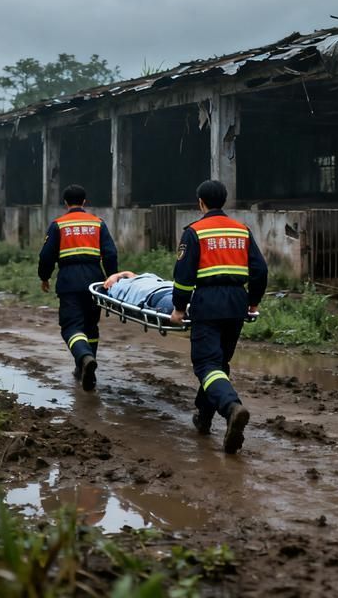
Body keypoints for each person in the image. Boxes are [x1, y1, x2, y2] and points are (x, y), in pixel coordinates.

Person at [170, 179, 267, 454]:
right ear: (224, 201)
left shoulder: (194, 232)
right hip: (236, 302)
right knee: (219, 363)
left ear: (200, 202)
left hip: (208, 303)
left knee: (206, 364)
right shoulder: (241, 230)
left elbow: (184, 277)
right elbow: (260, 270)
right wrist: (253, 302)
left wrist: (179, 308)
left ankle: (231, 407)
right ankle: (204, 416)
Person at [38, 184, 118, 391]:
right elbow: (110, 253)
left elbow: (46, 255)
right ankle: (83, 367)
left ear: (65, 203)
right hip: (95, 281)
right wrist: (112, 277)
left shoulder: (58, 225)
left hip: (69, 281)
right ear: (84, 201)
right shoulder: (98, 223)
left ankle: (84, 358)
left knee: (72, 326)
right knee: (91, 327)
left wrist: (44, 277)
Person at [104, 270, 175, 315]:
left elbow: (129, 273)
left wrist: (121, 274)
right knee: (178, 306)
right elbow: (108, 286)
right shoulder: (118, 286)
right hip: (155, 296)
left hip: (172, 289)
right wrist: (114, 277)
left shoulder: (148, 276)